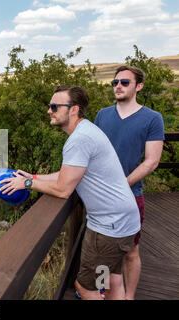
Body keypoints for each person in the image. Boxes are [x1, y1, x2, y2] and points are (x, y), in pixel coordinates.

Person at [0, 85, 141, 300]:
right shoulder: (86, 131)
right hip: (122, 221)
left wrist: (27, 184)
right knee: (110, 278)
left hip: (108, 228)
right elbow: (68, 175)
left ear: (73, 109)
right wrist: (35, 178)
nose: (49, 111)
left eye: (55, 106)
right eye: (50, 106)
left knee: (87, 288)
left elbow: (64, 189)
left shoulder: (79, 140)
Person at [94, 66, 164, 300]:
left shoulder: (152, 118)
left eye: (124, 82)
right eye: (115, 83)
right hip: (99, 198)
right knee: (101, 252)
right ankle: (102, 292)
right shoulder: (102, 115)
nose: (118, 86)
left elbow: (151, 161)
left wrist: (121, 184)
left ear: (139, 86)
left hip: (130, 196)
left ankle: (128, 296)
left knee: (131, 251)